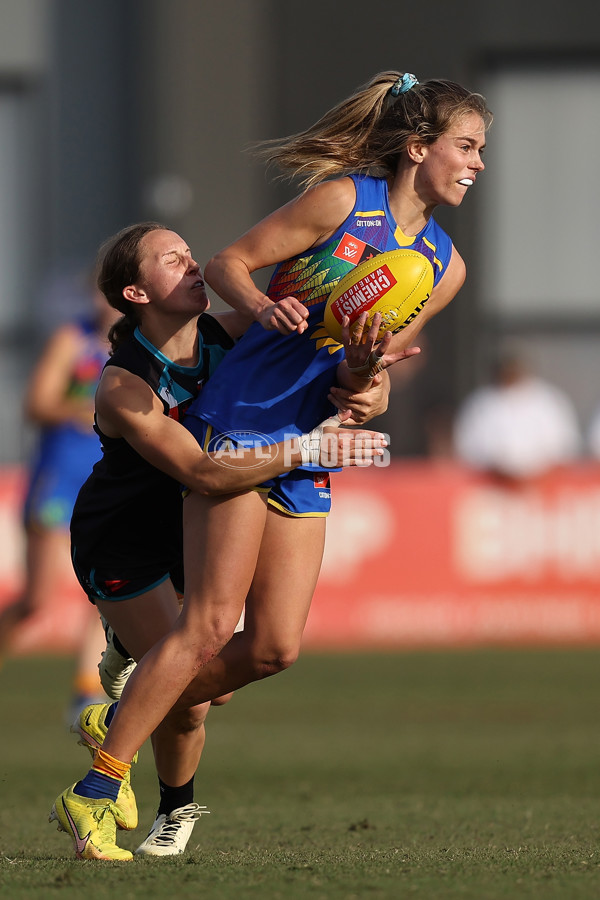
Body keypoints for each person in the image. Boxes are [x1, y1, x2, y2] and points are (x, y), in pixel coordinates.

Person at [52, 69, 491, 860]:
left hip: (310, 443)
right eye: (466, 146)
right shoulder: (341, 201)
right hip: (242, 425)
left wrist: (363, 374)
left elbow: (371, 386)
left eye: (480, 150)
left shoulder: (446, 266)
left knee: (274, 648)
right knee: (210, 624)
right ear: (418, 148)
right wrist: (265, 309)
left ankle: (121, 717)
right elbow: (228, 264)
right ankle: (96, 785)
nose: (477, 163)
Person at [49, 222, 390, 860]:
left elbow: (325, 373)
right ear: (135, 292)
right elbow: (204, 471)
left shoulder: (229, 333)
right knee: (203, 686)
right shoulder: (123, 385)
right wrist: (314, 446)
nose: (192, 262)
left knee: (208, 675)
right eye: (171, 260)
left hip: (190, 527)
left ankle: (129, 740)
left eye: (189, 251)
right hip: (126, 545)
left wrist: (368, 378)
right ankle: (125, 784)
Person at [0, 286, 119, 719]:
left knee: (108, 589)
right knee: (37, 598)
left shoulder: (141, 345)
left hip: (106, 481)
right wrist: (91, 407)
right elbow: (37, 403)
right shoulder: (74, 340)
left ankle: (86, 691)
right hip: (58, 480)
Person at [453, 351, 581, 481]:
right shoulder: (481, 402)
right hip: (492, 485)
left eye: (514, 369)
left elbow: (565, 446)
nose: (510, 373)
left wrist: (533, 469)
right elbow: (468, 448)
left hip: (544, 486)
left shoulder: (548, 400)